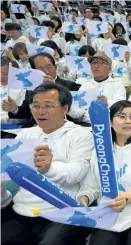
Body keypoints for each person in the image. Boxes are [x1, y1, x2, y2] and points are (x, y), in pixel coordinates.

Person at [1, 83, 94, 245]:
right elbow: (8, 176)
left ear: (65, 109)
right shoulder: (24, 134)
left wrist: (49, 169)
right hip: (23, 210)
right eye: (35, 105)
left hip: (62, 212)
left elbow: (77, 171)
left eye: (48, 106)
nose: (40, 111)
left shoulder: (82, 134)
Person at [78, 100, 131, 245]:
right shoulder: (100, 150)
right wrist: (84, 199)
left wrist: (128, 197)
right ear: (110, 122)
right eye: (122, 116)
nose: (128, 121)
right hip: (108, 212)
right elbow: (92, 187)